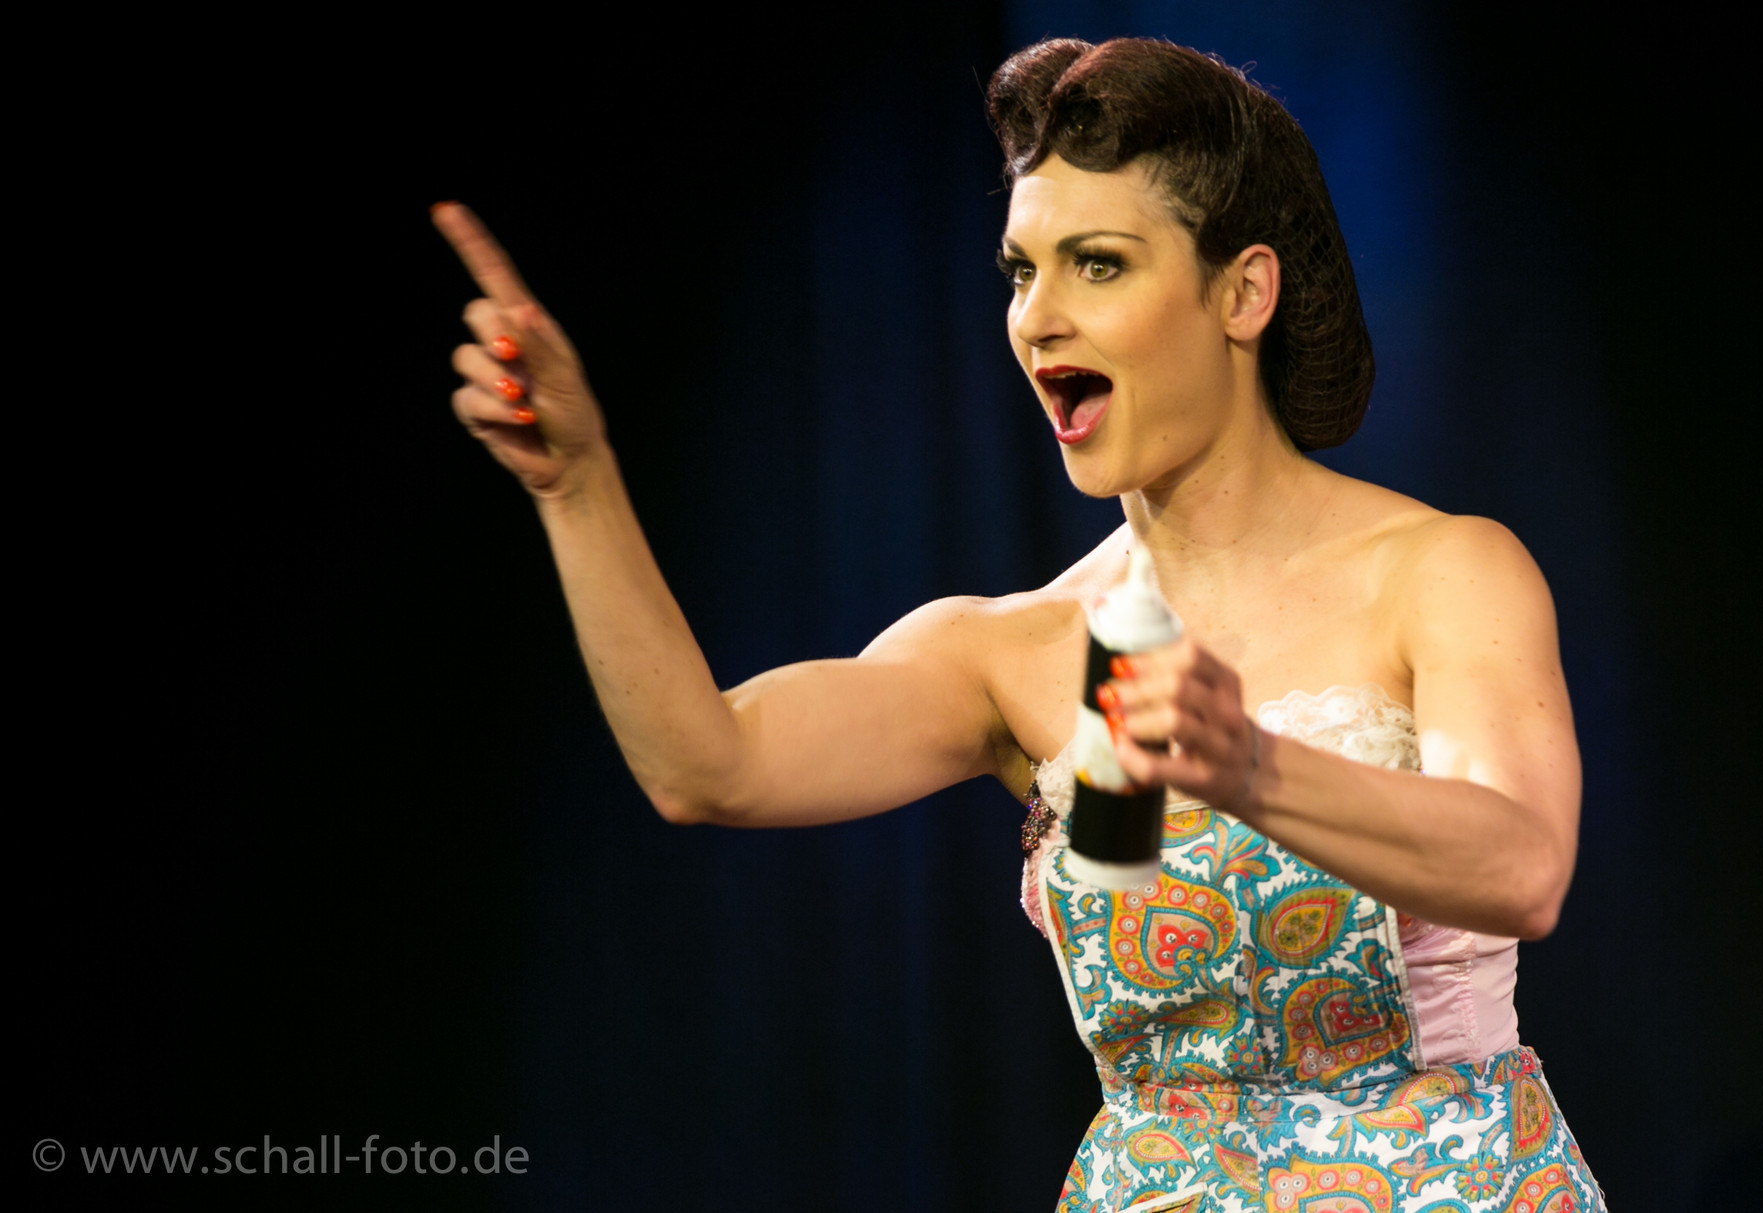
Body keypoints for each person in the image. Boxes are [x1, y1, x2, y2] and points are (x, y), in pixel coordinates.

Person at [434, 36, 1604, 1213]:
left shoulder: (1438, 571)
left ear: (1242, 293)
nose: (1036, 317)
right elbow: (707, 763)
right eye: (1018, 272)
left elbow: (1520, 868)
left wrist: (1247, 765)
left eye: (1096, 265)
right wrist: (576, 486)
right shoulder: (1019, 650)